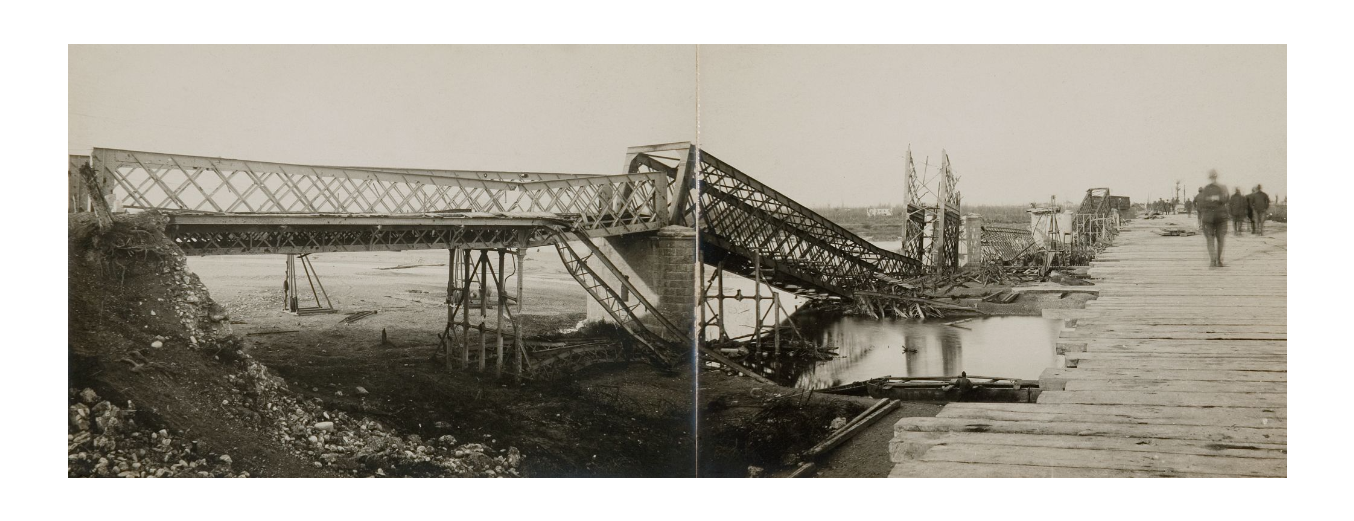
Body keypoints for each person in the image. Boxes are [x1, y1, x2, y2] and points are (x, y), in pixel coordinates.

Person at [1196, 170, 1230, 267]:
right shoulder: (1223, 187)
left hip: (1208, 218)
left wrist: (1209, 199)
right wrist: (1218, 198)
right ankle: (1219, 261)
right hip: (1221, 216)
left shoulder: (1205, 189)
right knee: (1221, 239)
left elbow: (1201, 203)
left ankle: (1212, 260)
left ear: (1209, 177)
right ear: (1216, 176)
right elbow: (1226, 199)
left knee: (1210, 239)